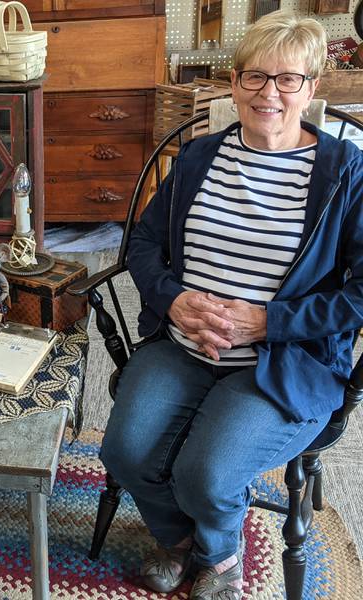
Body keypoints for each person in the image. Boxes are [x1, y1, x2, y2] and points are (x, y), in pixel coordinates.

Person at [98, 12, 363, 600]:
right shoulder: (198, 159)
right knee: (123, 451)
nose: (269, 92)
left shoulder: (346, 174)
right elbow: (142, 244)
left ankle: (220, 556)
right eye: (254, 76)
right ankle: (179, 540)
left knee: (206, 473)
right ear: (235, 83)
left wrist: (270, 321)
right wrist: (173, 301)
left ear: (311, 88)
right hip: (186, 344)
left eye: (288, 79)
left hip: (286, 359)